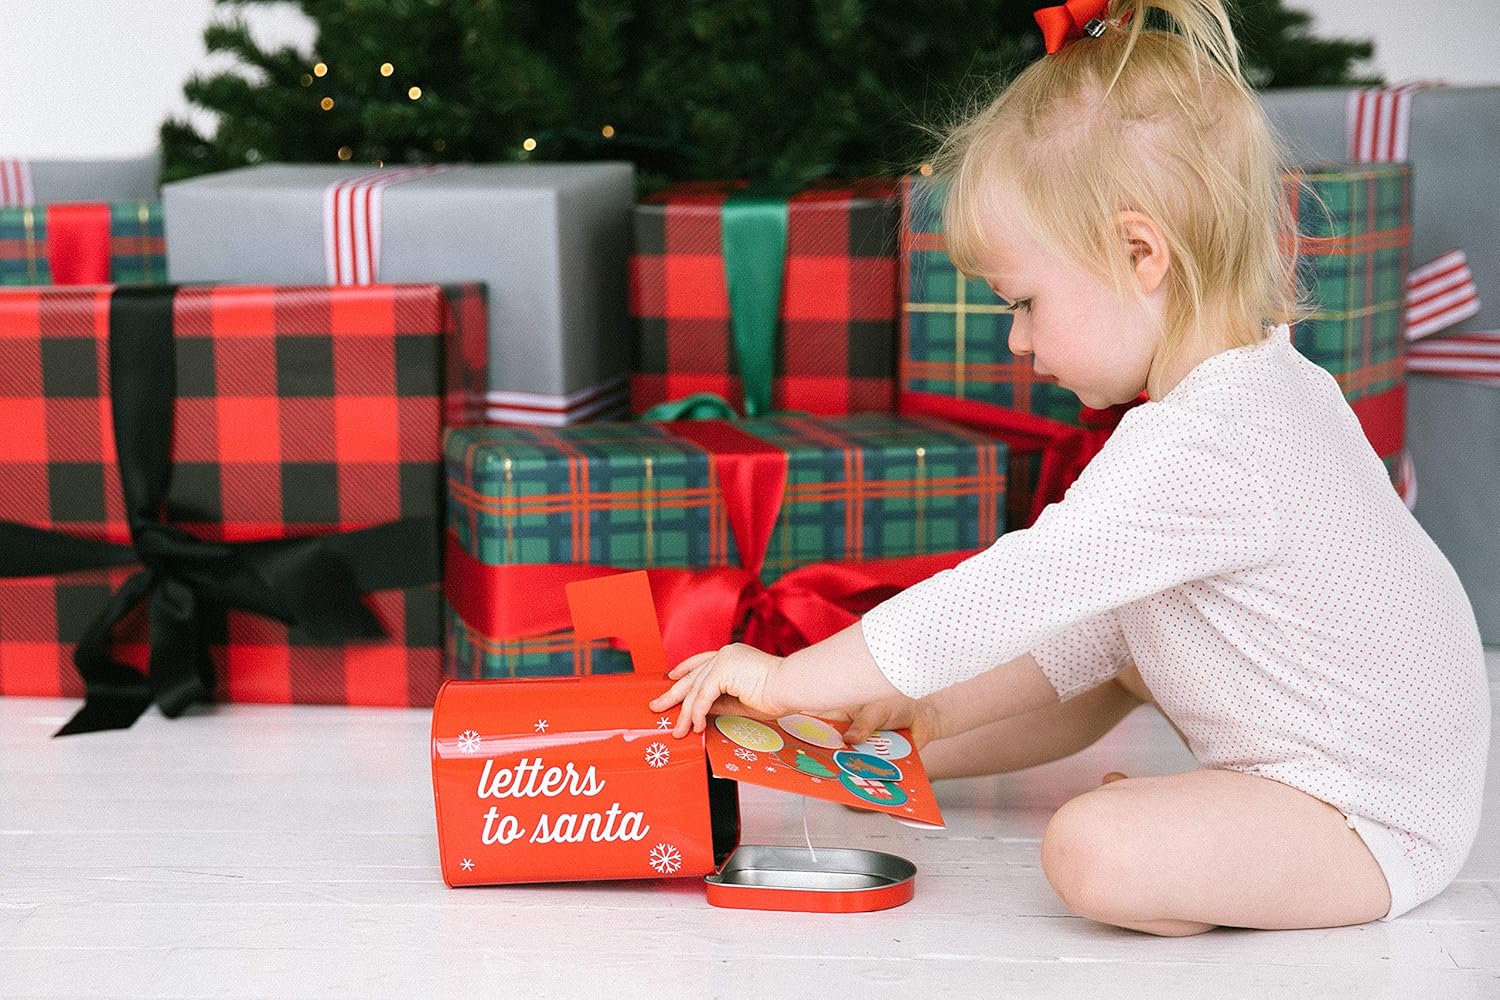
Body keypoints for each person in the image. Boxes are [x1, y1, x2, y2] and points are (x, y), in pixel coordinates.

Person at [651, 0, 1491, 936]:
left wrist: (788, 681)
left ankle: (1190, 867)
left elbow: (1010, 590)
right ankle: (922, 738)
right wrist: (927, 706)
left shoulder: (1204, 441)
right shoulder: (1264, 388)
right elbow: (1091, 633)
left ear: (1140, 254)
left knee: (1089, 847)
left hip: (1368, 819)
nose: (1016, 341)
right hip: (1395, 772)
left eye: (1024, 303)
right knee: (1119, 646)